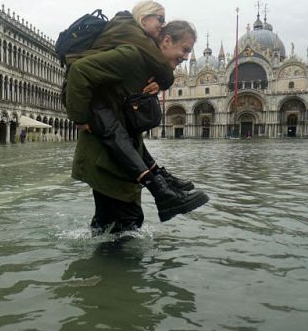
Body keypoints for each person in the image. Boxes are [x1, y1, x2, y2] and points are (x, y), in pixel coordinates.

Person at [66, 20, 209, 233]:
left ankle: (162, 187)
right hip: (105, 156)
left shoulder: (152, 68)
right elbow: (79, 71)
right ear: (167, 41)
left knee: (115, 224)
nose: (186, 56)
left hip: (120, 154)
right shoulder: (133, 57)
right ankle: (110, 262)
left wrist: (162, 82)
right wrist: (79, 118)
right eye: (185, 49)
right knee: (124, 224)